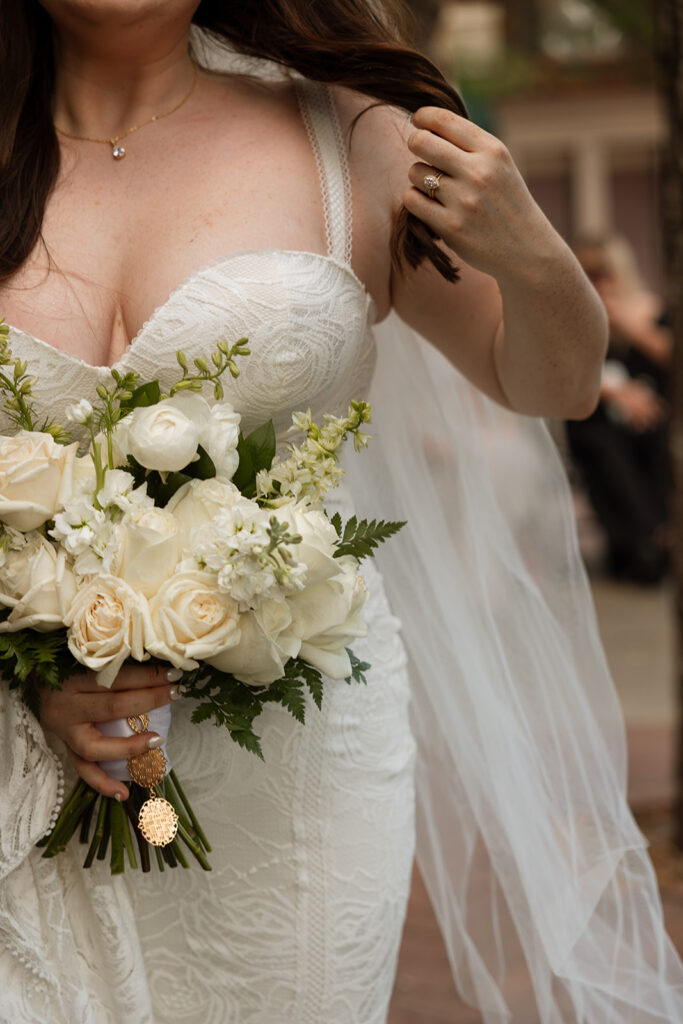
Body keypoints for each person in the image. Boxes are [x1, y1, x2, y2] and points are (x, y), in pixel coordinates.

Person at [1, 3, 682, 1023]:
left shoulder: (353, 141)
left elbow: (553, 380)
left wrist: (531, 252)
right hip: (23, 755)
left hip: (295, 778)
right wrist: (38, 672)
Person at [567, 238, 672, 584]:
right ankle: (648, 535)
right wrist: (618, 395)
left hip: (650, 414)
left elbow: (668, 358)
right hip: (598, 416)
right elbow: (568, 371)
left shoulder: (646, 309)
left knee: (656, 434)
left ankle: (659, 533)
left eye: (604, 273)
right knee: (604, 446)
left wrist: (624, 321)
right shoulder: (572, 314)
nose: (600, 282)